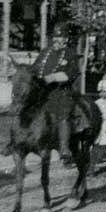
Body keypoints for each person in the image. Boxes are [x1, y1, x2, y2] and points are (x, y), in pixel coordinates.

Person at [29, 22, 78, 163]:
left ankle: (64, 147)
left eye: (60, 37)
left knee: (63, 113)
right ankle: (18, 141)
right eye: (55, 37)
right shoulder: (45, 52)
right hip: (43, 91)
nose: (56, 40)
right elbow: (34, 68)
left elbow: (71, 74)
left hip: (61, 91)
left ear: (66, 39)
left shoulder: (70, 54)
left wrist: (52, 77)